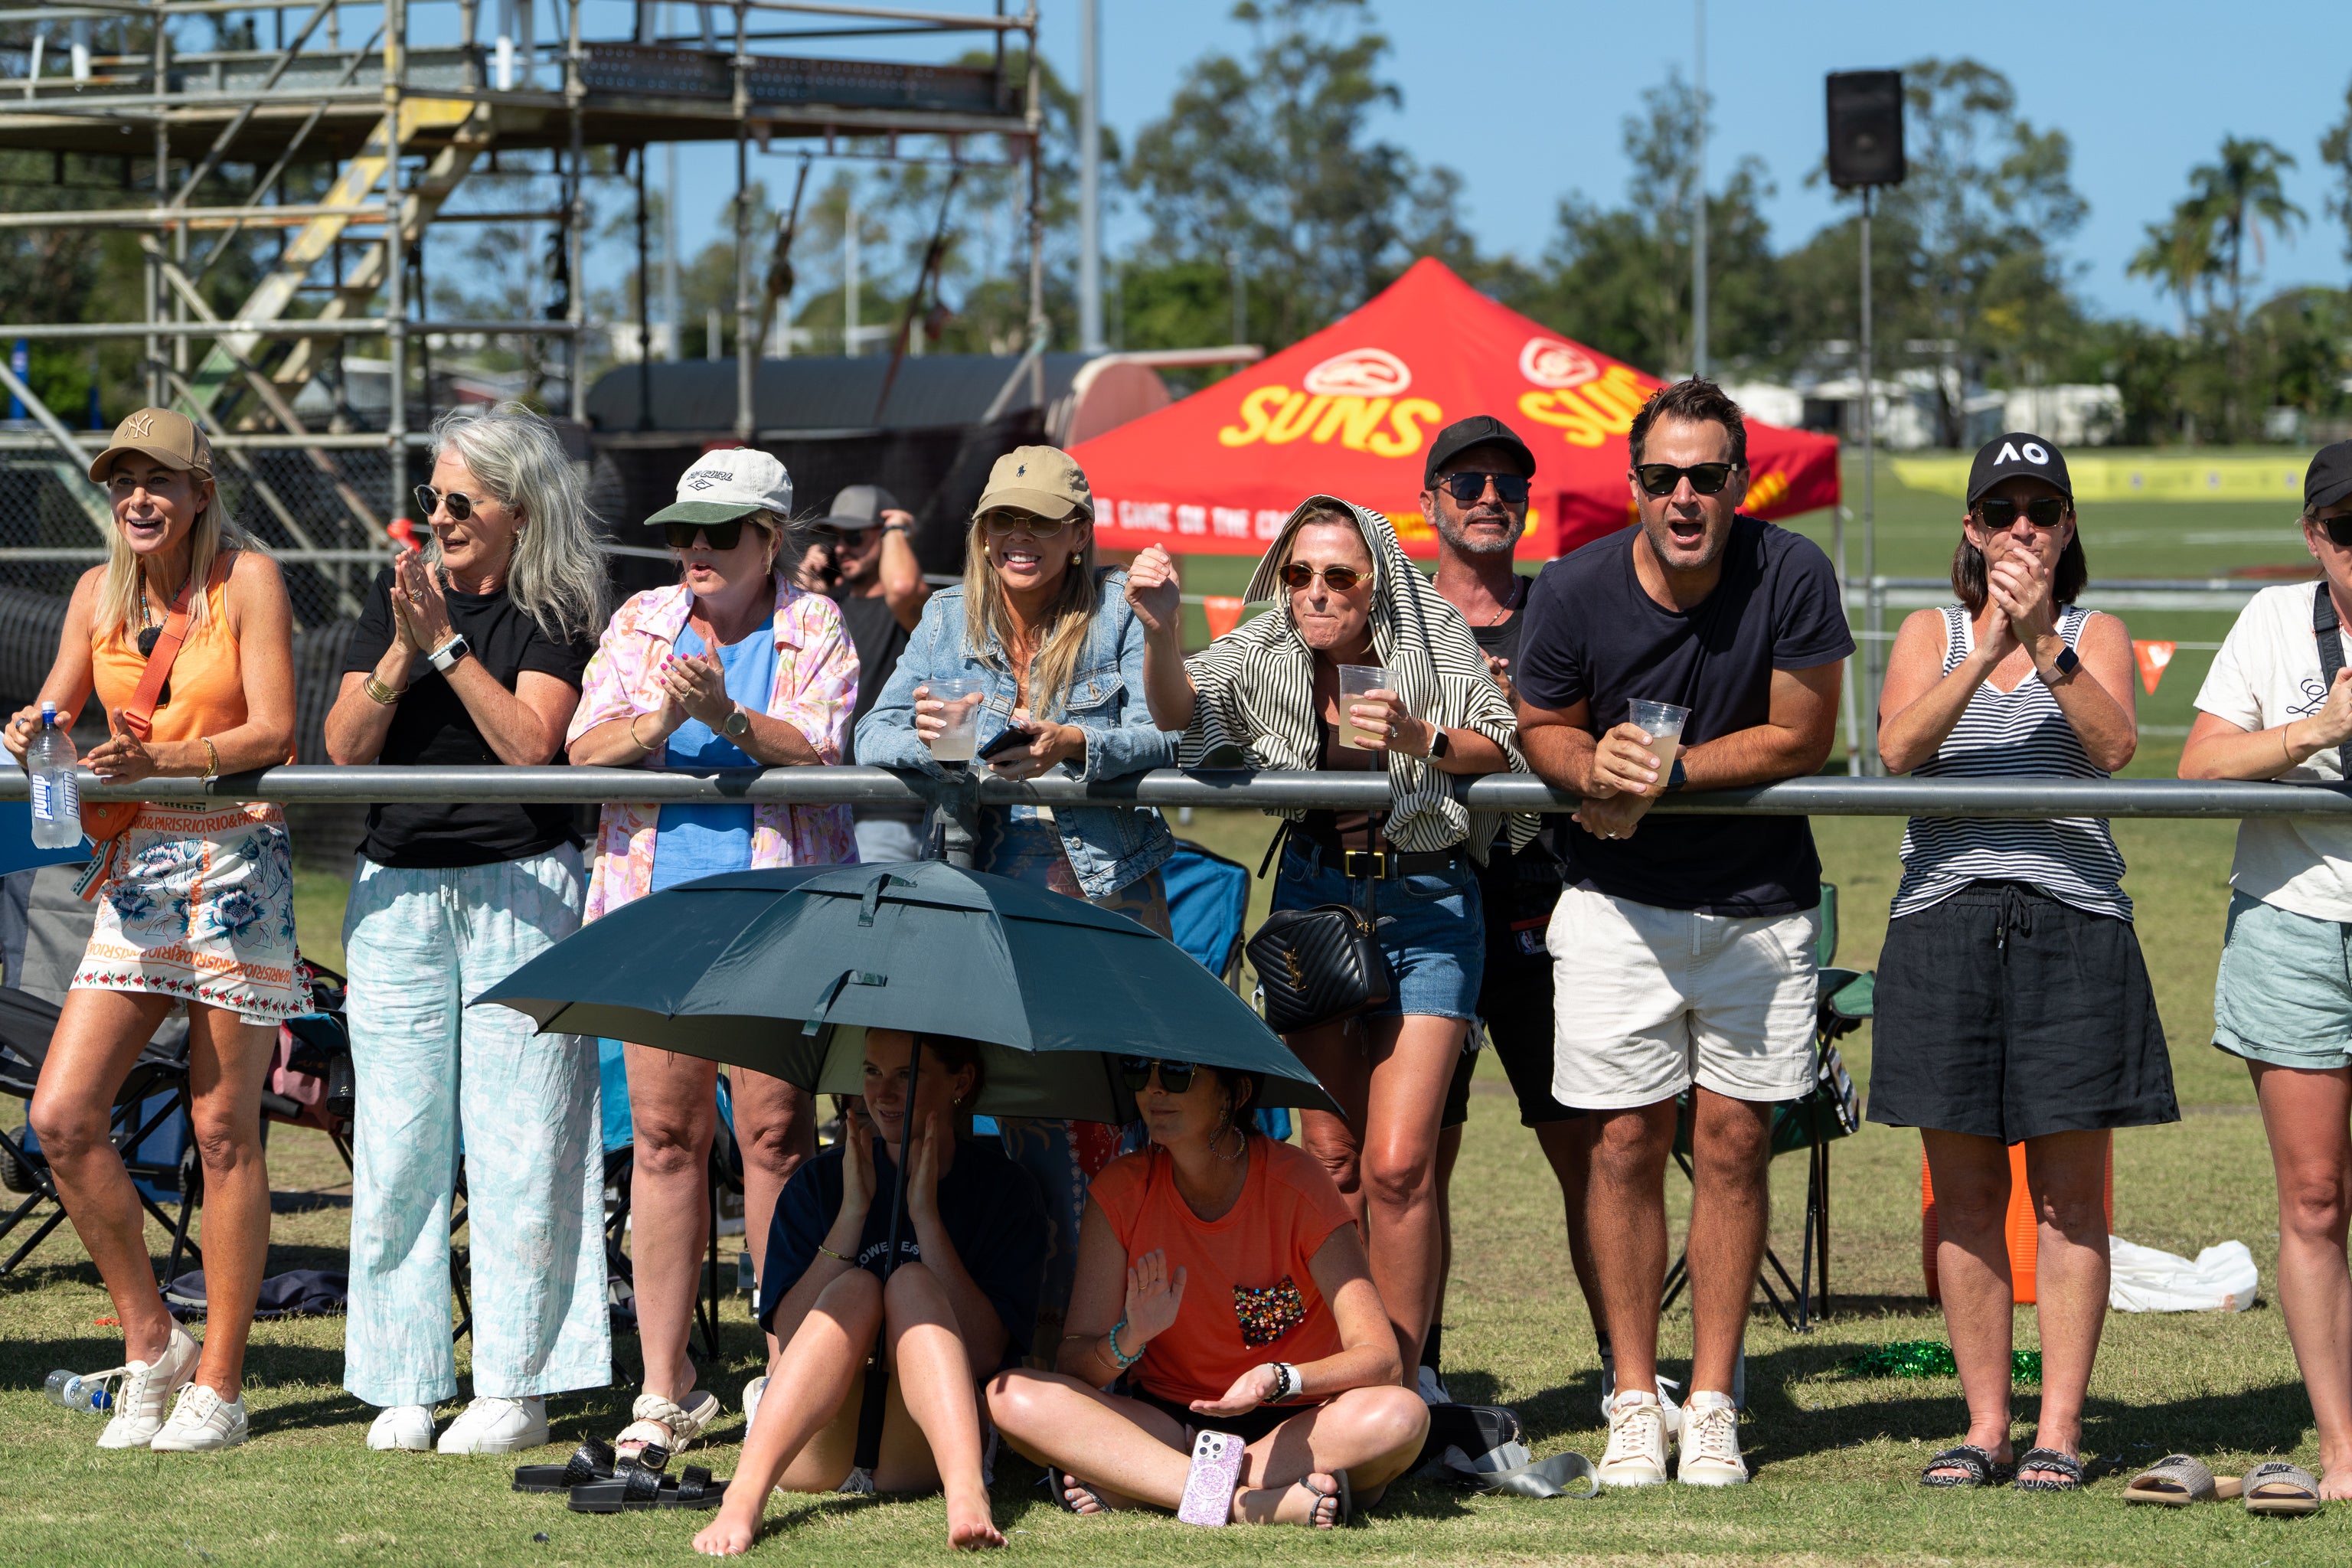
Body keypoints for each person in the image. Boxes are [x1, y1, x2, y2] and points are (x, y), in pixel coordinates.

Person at [1514, 378, 1852, 1488]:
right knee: (1620, 1146)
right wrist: (1583, 769)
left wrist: (1666, 773)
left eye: (1708, 476)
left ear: (1737, 481)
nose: (1685, 497)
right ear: (1635, 486)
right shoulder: (1571, 589)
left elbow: (1806, 734)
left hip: (1761, 906)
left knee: (1736, 1146)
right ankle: (1629, 1396)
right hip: (1615, 907)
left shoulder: (1792, 570)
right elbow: (1541, 728)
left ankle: (1710, 1402)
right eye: (1663, 478)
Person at [1128, 495, 1524, 1380]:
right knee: (1332, 1159)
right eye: (1299, 573)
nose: (1314, 592)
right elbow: (1181, 714)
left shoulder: (1431, 633)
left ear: (1376, 580)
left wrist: (1423, 736)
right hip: (1313, 897)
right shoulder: (1267, 645)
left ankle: (1406, 1377)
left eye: (1338, 575)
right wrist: (1160, 632)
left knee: (1397, 1162)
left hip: (1429, 901)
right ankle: (1344, 1359)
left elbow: (1503, 741)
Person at [1874, 431, 2175, 1492]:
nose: (2021, 531)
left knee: (2069, 1201)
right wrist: (1988, 637)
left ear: (2068, 529)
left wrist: (2044, 638)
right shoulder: (1928, 631)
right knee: (1963, 1198)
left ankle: (2058, 1431)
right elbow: (1900, 751)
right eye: (2001, 512)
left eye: (2040, 513)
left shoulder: (2100, 631)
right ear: (1969, 529)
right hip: (1946, 921)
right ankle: (1985, 1425)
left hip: (2074, 922)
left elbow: (2114, 748)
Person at [326, 402, 615, 1455]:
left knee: (525, 1142)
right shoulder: (398, 596)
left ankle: (520, 1381)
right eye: (431, 498)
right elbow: (346, 745)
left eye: (459, 500)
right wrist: (403, 653)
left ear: (517, 508)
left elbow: (530, 742)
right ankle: (402, 1376)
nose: (438, 517)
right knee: (399, 1145)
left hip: (521, 886)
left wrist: (445, 646)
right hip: (397, 889)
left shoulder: (560, 602)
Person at [13, 407, 299, 1452]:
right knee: (62, 1116)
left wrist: (162, 764)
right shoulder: (96, 593)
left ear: (199, 493)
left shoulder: (250, 580)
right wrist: (34, 727)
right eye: (123, 479)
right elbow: (57, 708)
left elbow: (274, 729)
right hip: (138, 872)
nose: (139, 496)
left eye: (159, 480)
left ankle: (220, 1381)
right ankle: (152, 1344)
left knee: (225, 1133)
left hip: (233, 861)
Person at [567, 447, 859, 1455]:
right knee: (663, 1139)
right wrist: (661, 718)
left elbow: (820, 742)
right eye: (682, 531)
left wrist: (728, 717)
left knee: (777, 1136)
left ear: (769, 541)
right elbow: (580, 746)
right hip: (657, 911)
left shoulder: (814, 623)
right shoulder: (640, 620)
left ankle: (785, 1363)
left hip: (775, 910)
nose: (694, 548)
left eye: (718, 533)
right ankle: (668, 1386)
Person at [857, 445, 1179, 1354]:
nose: (1018, 538)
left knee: (1118, 1116)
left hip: (1110, 889)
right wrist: (941, 746)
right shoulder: (949, 615)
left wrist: (1075, 740)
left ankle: (1123, 1348)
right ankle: (1029, 1348)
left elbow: (1173, 734)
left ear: (1079, 534)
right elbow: (871, 729)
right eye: (1003, 520)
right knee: (1017, 1112)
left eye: (1039, 521)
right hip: (986, 883)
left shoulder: (1122, 608)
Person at [986, 1058, 1429, 1527]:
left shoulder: (1298, 1182)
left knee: (1401, 1415)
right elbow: (1075, 1364)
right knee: (1010, 1396)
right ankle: (1249, 1504)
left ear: (1234, 1094)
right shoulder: (1119, 1190)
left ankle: (1144, 1483)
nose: (1153, 1090)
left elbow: (1382, 1358)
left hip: (1297, 1422)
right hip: (1173, 1426)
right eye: (1139, 1072)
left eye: (1177, 1074)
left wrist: (1277, 1378)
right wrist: (1130, 1337)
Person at [1419, 414, 1610, 1403]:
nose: (1489, 497)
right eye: (1467, 483)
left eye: (1507, 483)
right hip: (1422, 898)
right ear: (1431, 503)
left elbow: (1602, 737)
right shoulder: (1399, 617)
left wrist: (1526, 721)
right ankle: (1419, 1372)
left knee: (1587, 1146)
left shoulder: (1560, 612)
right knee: (1416, 1155)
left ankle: (1625, 1374)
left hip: (1544, 899)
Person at [693, 1029, 1044, 1556]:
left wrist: (927, 1221)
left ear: (961, 1081)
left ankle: (967, 1495)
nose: (883, 1093)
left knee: (912, 1282)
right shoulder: (819, 1184)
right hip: (814, 1442)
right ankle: (743, 1498)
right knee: (855, 1287)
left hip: (924, 1448)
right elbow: (786, 1339)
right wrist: (851, 1215)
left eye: (907, 1074)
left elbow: (986, 1352)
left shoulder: (1003, 1190)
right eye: (873, 1072)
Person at [2179, 438, 2352, 1501]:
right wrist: (2316, 728)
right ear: (2312, 535)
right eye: (2346, 532)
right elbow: (2199, 764)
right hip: (2294, 927)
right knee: (2318, 1199)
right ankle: (2343, 1447)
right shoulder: (2278, 622)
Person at [799, 484, 930, 864]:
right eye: (833, 538)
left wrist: (896, 531)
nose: (841, 548)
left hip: (887, 808)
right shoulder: (827, 606)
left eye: (855, 536)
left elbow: (903, 587)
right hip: (824, 807)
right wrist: (804, 580)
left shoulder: (917, 609)